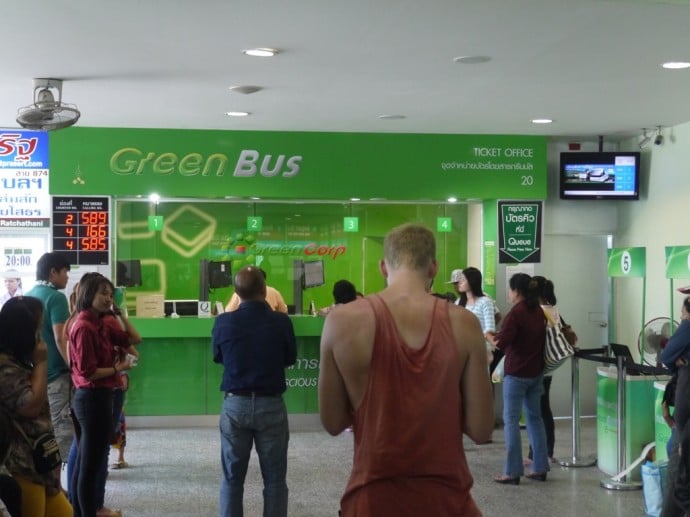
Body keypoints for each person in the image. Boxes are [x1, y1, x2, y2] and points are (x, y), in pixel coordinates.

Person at [319, 223, 493, 516]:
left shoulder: (341, 321)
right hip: (446, 501)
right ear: (434, 268)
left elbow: (333, 422)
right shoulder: (464, 324)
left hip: (371, 500)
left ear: (383, 267)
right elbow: (480, 428)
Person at [212, 265, 297, 517]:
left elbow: (218, 356)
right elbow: (290, 357)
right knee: (274, 480)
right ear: (264, 289)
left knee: (231, 478)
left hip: (234, 405)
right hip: (271, 405)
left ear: (236, 293)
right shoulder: (282, 321)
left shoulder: (223, 321)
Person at [67, 275, 133, 517]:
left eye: (110, 293)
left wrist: (118, 314)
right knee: (89, 467)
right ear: (88, 294)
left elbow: (133, 340)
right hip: (91, 398)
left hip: (100, 397)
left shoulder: (99, 323)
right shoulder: (83, 326)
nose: (108, 298)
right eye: (102, 293)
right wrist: (117, 368)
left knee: (89, 463)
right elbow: (88, 371)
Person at [0, 296, 72, 517]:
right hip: (21, 464)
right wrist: (41, 362)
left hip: (39, 461)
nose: (40, 336)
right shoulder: (5, 367)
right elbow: (30, 406)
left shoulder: (19, 360)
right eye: (37, 328)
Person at [487, 273, 549, 484]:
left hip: (516, 374)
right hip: (536, 372)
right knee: (535, 419)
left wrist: (488, 335)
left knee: (511, 421)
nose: (509, 293)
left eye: (510, 289)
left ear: (517, 291)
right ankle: (540, 467)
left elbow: (501, 344)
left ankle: (512, 472)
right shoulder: (538, 312)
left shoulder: (516, 314)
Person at [25, 252, 73, 462]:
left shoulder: (29, 294)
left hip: (34, 373)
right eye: (65, 272)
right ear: (53, 272)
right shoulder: (56, 297)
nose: (67, 277)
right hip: (56, 373)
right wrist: (75, 367)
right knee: (61, 428)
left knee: (41, 428)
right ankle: (58, 482)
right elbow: (61, 338)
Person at [526, 276, 571, 464]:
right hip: (549, 367)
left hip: (538, 366)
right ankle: (547, 451)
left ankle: (537, 453)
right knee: (544, 410)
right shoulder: (552, 310)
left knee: (535, 412)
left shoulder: (538, 312)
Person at [659, 296, 690, 517]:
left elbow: (668, 355)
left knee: (680, 467)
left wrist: (680, 360)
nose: (680, 315)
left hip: (686, 408)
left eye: (682, 311)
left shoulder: (687, 327)